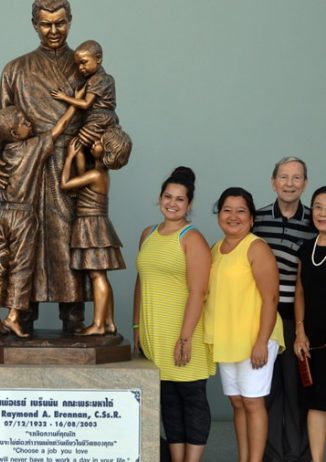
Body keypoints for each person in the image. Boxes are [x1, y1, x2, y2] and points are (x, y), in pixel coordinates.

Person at [0, 0, 87, 333]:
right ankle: (21, 316)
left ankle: (74, 318)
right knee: (23, 250)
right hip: (25, 174)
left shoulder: (83, 65)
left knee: (68, 241)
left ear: (70, 20)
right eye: (46, 24)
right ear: (34, 24)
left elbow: (100, 113)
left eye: (60, 23)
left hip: (68, 166)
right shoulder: (15, 69)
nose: (53, 31)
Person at [134, 167, 215, 462]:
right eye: (168, 196)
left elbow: (198, 291)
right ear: (160, 198)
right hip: (155, 334)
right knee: (167, 400)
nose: (172, 203)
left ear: (189, 204)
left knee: (192, 399)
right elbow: (141, 282)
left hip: (184, 333)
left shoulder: (192, 239)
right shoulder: (148, 234)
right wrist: (136, 326)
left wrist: (185, 338)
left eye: (180, 199)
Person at [0, 95, 80, 337]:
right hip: (23, 216)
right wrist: (74, 104)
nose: (30, 123)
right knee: (22, 266)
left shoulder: (5, 154)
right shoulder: (32, 147)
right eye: (24, 122)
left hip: (3, 214)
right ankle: (13, 316)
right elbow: (60, 127)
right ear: (15, 133)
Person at [205, 187, 285, 462]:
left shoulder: (256, 247)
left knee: (252, 401)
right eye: (227, 210)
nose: (233, 216)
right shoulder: (216, 249)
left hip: (255, 338)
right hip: (228, 339)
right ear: (219, 215)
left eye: (241, 211)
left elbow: (271, 298)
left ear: (251, 218)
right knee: (237, 402)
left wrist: (262, 341)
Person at [253, 156, 314, 462]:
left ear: (305, 183)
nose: (289, 183)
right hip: (262, 317)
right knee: (266, 389)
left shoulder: (315, 220)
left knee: (297, 389)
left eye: (296, 177)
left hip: (296, 319)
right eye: (284, 177)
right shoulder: (257, 219)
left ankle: (298, 455)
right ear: (273, 181)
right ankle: (272, 454)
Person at [60, 128, 131, 335]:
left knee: (97, 275)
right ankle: (108, 322)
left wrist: (69, 157)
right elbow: (83, 177)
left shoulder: (96, 174)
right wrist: (80, 155)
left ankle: (99, 325)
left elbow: (65, 184)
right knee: (101, 275)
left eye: (100, 142)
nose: (95, 143)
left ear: (107, 151)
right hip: (95, 224)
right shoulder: (100, 173)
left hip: (91, 225)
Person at [294, 186, 326, 462]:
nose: (322, 213)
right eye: (318, 206)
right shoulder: (307, 248)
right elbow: (300, 291)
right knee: (316, 404)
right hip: (313, 342)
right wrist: (300, 331)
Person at [51, 39, 119, 147]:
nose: (80, 68)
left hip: (99, 119)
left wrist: (64, 97)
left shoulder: (96, 80)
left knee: (76, 145)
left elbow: (86, 104)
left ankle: (71, 158)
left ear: (98, 58)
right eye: (78, 64)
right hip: (109, 118)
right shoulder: (108, 78)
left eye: (83, 62)